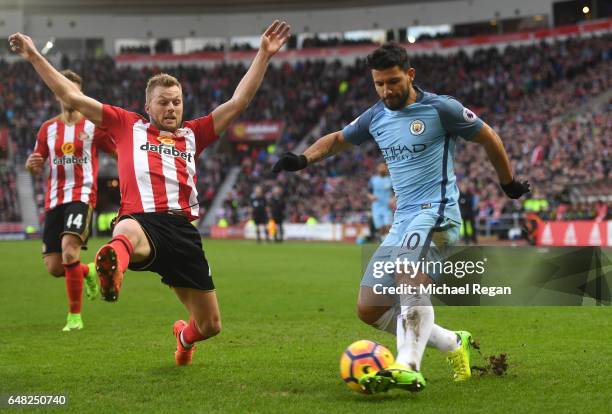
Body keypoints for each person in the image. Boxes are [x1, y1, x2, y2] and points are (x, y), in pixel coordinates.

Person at [10, 20, 291, 365]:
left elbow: (239, 101)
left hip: (184, 232)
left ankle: (183, 338)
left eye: (176, 102)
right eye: (164, 103)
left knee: (210, 325)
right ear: (149, 107)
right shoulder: (126, 125)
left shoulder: (195, 133)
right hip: (141, 221)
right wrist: (33, 54)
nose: (171, 108)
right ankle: (112, 271)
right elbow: (71, 96)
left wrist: (263, 54)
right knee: (125, 232)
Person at [273, 42, 530, 392]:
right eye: (379, 83)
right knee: (370, 306)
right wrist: (303, 159)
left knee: (407, 273)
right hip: (404, 219)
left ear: (410, 75)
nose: (386, 90)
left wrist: (508, 182)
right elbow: (336, 140)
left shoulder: (441, 108)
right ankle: (455, 342)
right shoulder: (376, 116)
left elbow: (488, 137)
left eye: (393, 81)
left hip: (437, 212)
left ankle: (407, 364)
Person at [25, 69, 115, 332]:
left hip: (82, 195)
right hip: (55, 199)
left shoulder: (92, 127)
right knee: (55, 267)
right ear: (57, 94)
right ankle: (87, 272)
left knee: (68, 249)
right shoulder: (47, 129)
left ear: (80, 94)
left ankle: (74, 317)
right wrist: (32, 165)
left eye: (75, 90)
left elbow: (118, 150)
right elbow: (36, 163)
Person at [368, 162, 393, 239]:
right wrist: (371, 197)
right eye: (380, 167)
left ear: (386, 169)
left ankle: (389, 243)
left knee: (388, 226)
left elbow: (396, 192)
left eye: (384, 167)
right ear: (378, 169)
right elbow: (369, 192)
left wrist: (393, 199)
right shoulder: (373, 180)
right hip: (376, 207)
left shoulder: (391, 179)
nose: (382, 169)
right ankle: (383, 241)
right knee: (380, 228)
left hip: (387, 207)